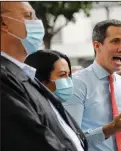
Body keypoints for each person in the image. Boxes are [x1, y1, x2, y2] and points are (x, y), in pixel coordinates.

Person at [1, 2, 88, 151]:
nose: (36, 22)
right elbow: (32, 140)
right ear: (4, 23)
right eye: (28, 16)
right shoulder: (4, 78)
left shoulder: (24, 74)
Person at [63, 19, 121, 151]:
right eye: (115, 41)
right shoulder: (77, 83)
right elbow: (70, 139)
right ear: (97, 46)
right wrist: (109, 130)